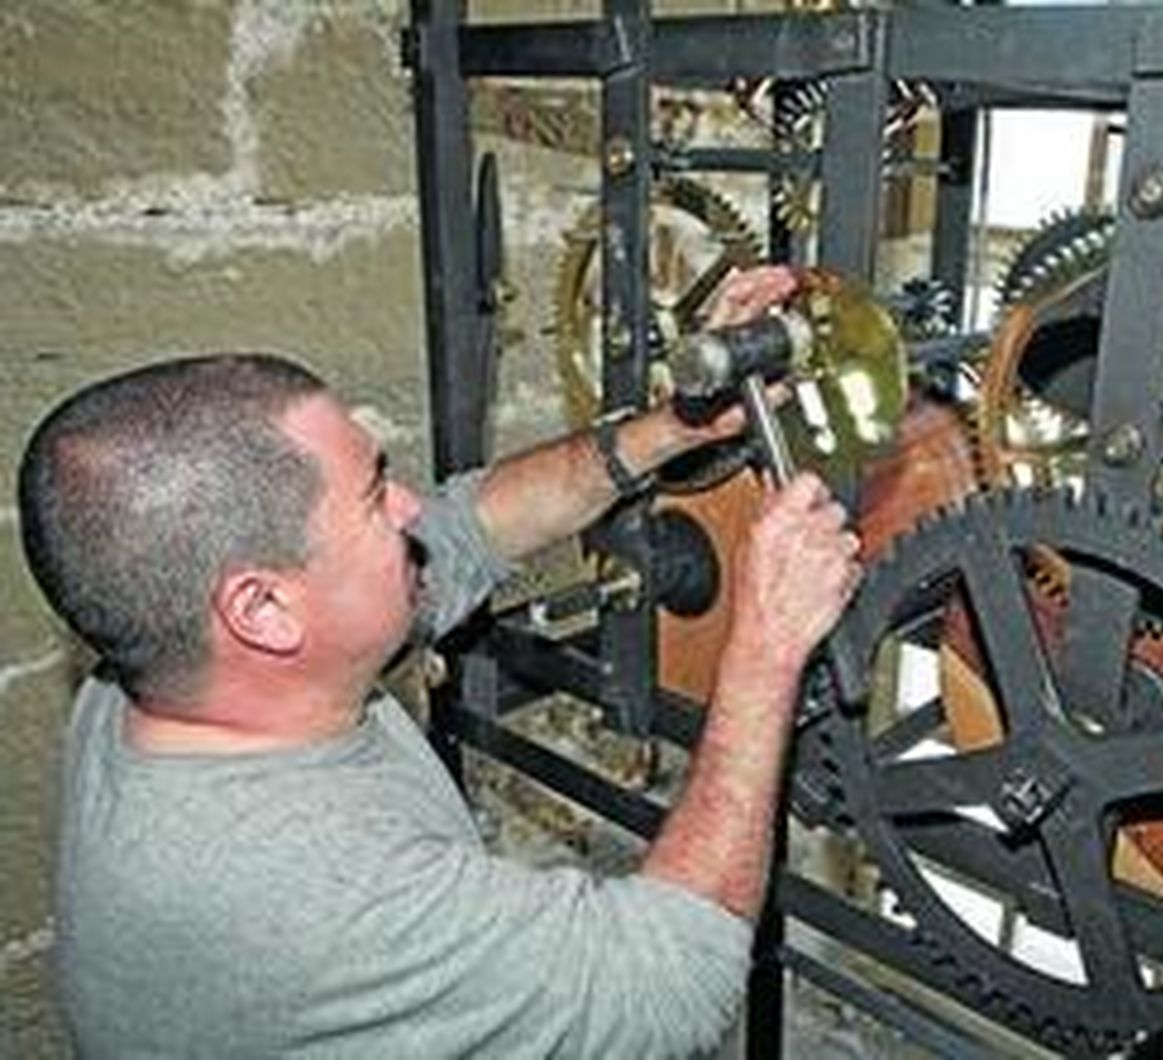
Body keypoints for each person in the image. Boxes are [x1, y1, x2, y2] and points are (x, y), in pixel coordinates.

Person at [17, 267, 863, 1058]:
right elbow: (677, 978)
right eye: (373, 498)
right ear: (263, 610)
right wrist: (764, 652)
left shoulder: (159, 671)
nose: (410, 505)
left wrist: (671, 429)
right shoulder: (309, 899)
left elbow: (461, 532)